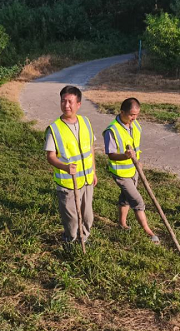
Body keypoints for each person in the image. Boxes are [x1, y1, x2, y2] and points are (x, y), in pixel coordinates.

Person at [45, 85, 97, 245]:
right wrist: (65, 168)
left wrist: (94, 171)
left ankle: (84, 238)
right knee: (72, 219)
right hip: (67, 183)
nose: (66, 105)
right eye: (63, 101)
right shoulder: (54, 129)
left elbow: (91, 149)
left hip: (87, 180)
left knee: (88, 215)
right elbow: (50, 157)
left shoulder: (86, 122)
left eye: (70, 102)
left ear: (78, 104)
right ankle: (70, 240)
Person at [103, 98, 159, 242]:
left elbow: (136, 147)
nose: (134, 118)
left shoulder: (136, 125)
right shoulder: (112, 130)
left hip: (134, 170)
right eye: (131, 115)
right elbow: (111, 154)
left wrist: (137, 162)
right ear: (122, 112)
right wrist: (125, 156)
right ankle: (148, 231)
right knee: (137, 201)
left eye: (137, 115)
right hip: (120, 172)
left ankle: (121, 224)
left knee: (126, 198)